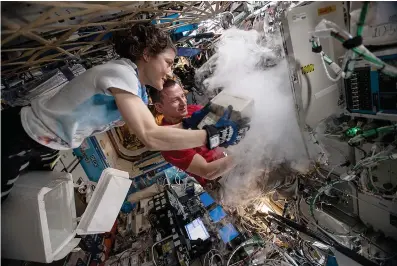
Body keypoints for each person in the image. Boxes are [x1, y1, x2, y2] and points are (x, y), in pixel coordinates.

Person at [1, 24, 249, 201]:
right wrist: (209, 135)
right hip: (23, 134)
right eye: (168, 62)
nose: (170, 71)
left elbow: (156, 129)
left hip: (49, 146)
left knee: (25, 196)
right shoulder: (121, 74)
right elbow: (150, 136)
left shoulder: (138, 91)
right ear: (147, 55)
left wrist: (188, 126)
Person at [151, 79, 236, 187]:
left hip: (229, 160)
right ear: (159, 107)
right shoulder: (168, 141)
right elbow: (207, 171)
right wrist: (244, 155)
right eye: (175, 101)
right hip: (219, 180)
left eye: (182, 96)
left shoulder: (193, 111)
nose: (183, 103)